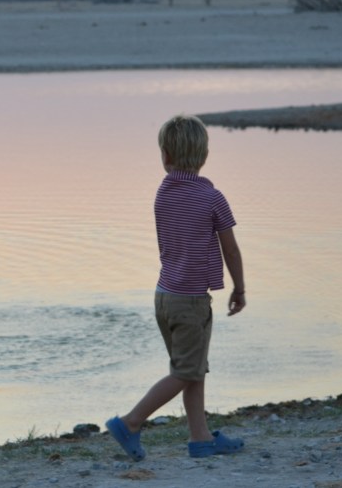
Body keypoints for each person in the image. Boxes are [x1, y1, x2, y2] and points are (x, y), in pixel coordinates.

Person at [107, 114, 246, 460]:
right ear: (204, 155)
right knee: (186, 370)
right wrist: (239, 287)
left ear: (166, 156)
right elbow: (230, 248)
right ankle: (131, 422)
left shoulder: (162, 194)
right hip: (191, 300)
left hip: (164, 296)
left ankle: (200, 438)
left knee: (192, 368)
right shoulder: (212, 197)